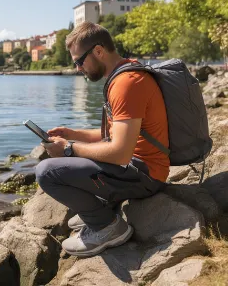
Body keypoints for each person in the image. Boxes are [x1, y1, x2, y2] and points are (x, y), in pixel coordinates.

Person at [35, 21, 169, 257]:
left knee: (46, 172)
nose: (77, 68)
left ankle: (108, 226)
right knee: (61, 165)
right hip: (139, 167)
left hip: (144, 175)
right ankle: (98, 210)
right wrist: (73, 134)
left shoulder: (126, 84)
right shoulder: (124, 74)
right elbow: (115, 134)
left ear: (98, 51)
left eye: (79, 61)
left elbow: (120, 152)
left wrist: (69, 149)